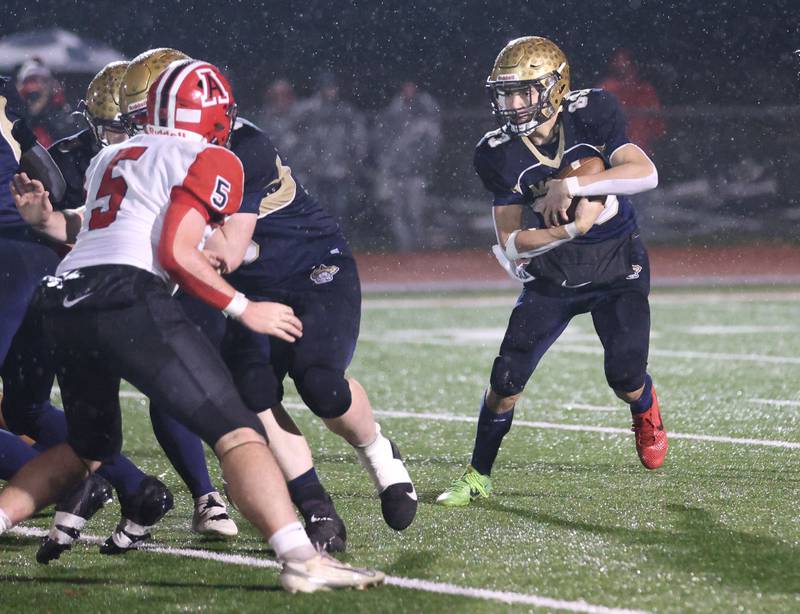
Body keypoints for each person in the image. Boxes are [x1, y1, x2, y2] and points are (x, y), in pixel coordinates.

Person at [2, 58, 383, 593]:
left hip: (64, 300)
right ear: (212, 116)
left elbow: (89, 226)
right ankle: (302, 559)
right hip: (126, 296)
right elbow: (176, 253)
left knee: (86, 448)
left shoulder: (113, 155)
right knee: (240, 434)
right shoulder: (211, 156)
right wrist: (244, 308)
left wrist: (44, 219)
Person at [118, 50, 417, 536]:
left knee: (320, 384)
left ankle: (379, 452)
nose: (151, 131)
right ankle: (315, 505)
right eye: (144, 119)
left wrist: (151, 237)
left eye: (160, 117)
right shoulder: (165, 157)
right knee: (252, 390)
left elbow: (228, 251)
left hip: (311, 268)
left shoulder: (244, 148)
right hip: (251, 290)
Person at [436, 36, 667, 508]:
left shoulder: (592, 111)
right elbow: (510, 242)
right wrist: (569, 230)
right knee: (506, 380)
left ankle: (644, 407)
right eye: (506, 94)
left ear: (555, 88)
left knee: (625, 376)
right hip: (555, 271)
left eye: (524, 92)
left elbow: (646, 174)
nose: (513, 105)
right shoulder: (496, 152)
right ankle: (478, 475)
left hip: (617, 262)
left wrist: (573, 184)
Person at [28, 59, 238, 562]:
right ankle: (110, 487)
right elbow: (75, 224)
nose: (112, 133)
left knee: (193, 402)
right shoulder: (81, 155)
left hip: (151, 282)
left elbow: (214, 240)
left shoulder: (187, 151)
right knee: (52, 413)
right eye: (105, 124)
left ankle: (208, 495)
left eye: (123, 123)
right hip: (95, 289)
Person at [289, 72, 368, 231]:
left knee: (340, 209)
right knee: (316, 208)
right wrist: (305, 161)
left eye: (333, 88)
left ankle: (337, 238)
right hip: (314, 170)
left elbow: (359, 138)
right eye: (328, 88)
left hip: (340, 170)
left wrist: (352, 163)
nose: (331, 91)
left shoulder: (345, 111)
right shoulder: (308, 110)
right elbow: (293, 136)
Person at [374, 81, 442, 251]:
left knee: (415, 212)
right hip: (395, 173)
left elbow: (433, 143)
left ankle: (418, 248)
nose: (409, 90)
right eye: (406, 87)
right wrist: (387, 166)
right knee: (397, 213)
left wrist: (424, 162)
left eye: (412, 87)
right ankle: (404, 249)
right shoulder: (393, 113)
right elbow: (381, 140)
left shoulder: (425, 112)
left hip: (415, 173)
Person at [597, 49, 666, 157]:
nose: (623, 68)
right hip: (610, 154)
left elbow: (658, 127)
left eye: (626, 65)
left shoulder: (645, 92)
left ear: (634, 67)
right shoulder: (605, 90)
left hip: (639, 152)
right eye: (619, 66)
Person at [15, 59, 77, 148]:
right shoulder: (14, 112)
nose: (37, 86)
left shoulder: (60, 110)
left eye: (43, 81)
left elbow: (66, 134)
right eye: (31, 81)